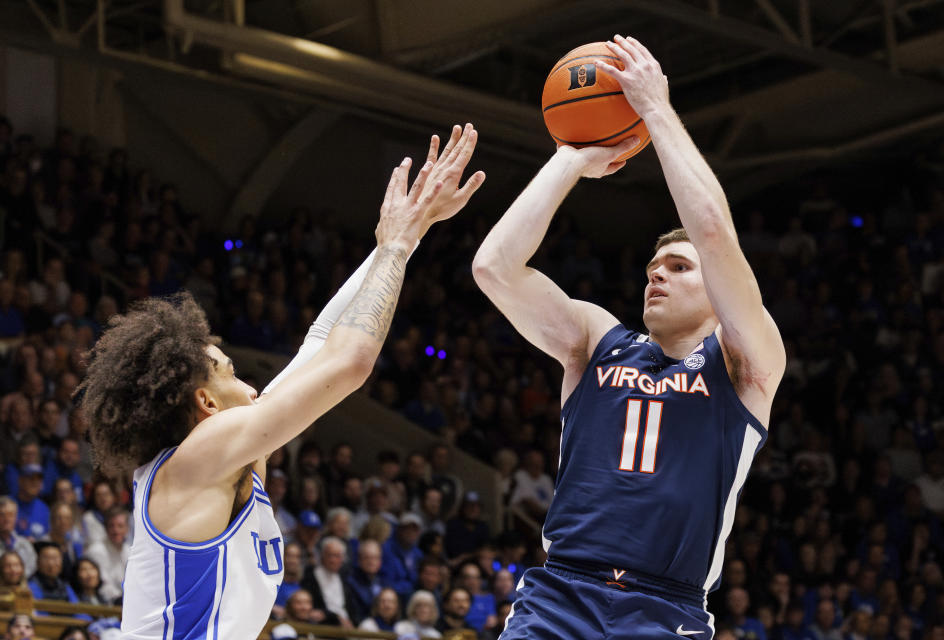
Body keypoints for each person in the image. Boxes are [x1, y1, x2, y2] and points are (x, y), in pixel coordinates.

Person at [77, 126, 483, 639]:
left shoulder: (222, 456)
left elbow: (320, 341)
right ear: (204, 402)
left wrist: (407, 232)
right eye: (230, 371)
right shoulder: (204, 453)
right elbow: (350, 361)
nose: (251, 387)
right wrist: (397, 246)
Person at [472, 35, 785, 639]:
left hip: (667, 609)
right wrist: (572, 156)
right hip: (561, 593)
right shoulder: (597, 340)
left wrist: (656, 110)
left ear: (718, 297)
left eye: (679, 267)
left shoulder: (746, 362)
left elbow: (716, 236)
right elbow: (495, 269)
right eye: (652, 268)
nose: (657, 275)